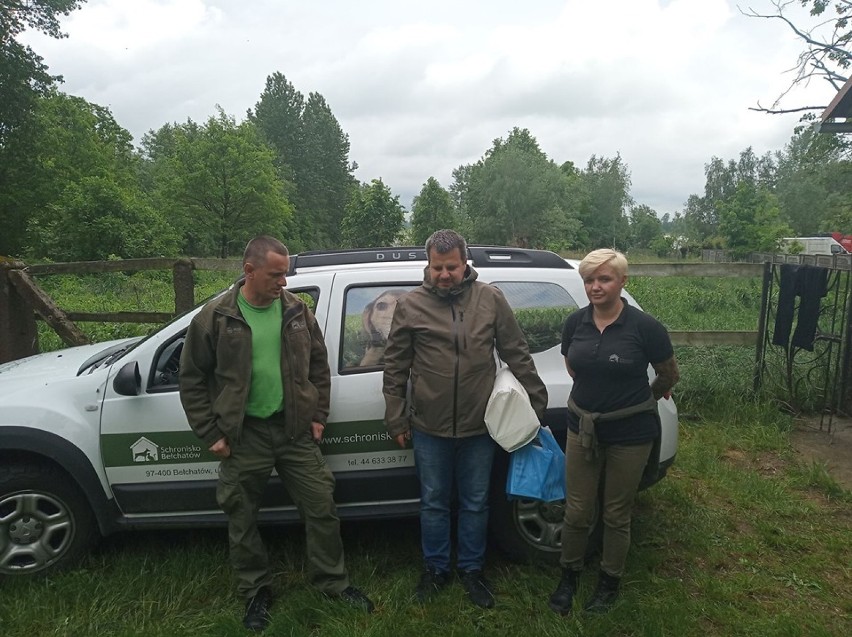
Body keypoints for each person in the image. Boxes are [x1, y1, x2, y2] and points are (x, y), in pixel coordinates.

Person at [179, 235, 374, 633]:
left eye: (285, 274)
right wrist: (209, 431)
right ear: (249, 271)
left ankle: (332, 584)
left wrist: (318, 414)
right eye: (275, 275)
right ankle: (256, 591)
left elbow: (319, 365)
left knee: (321, 505)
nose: (283, 283)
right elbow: (192, 378)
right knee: (241, 514)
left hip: (294, 430)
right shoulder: (215, 318)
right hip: (243, 434)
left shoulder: (297, 312)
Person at [382, 229, 548, 609]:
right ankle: (436, 568)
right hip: (428, 426)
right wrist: (396, 417)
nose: (445, 274)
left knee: (475, 502)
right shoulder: (410, 305)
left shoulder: (490, 299)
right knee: (434, 502)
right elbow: (395, 367)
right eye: (438, 267)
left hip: (479, 425)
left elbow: (516, 351)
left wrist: (537, 403)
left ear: (465, 262)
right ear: (428, 265)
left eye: (452, 267)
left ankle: (473, 570)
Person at [549, 248, 679, 615]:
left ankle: (609, 581)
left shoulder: (646, 327)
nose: (595, 286)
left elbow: (669, 374)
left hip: (630, 434)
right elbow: (575, 368)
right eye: (589, 279)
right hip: (582, 428)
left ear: (622, 281)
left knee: (616, 512)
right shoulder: (575, 323)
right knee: (576, 510)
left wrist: (638, 402)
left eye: (604, 279)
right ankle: (569, 575)